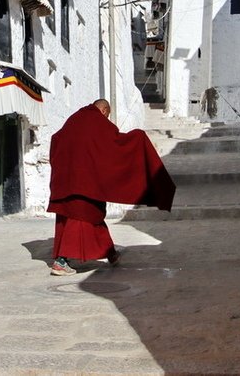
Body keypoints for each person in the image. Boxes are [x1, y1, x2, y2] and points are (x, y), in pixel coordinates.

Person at [47, 99, 176, 275]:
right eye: (107, 115)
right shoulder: (96, 120)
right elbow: (114, 145)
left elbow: (56, 139)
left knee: (93, 217)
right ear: (104, 109)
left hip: (64, 182)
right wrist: (137, 138)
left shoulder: (75, 118)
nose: (107, 118)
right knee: (79, 218)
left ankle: (111, 254)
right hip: (82, 184)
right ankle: (61, 261)